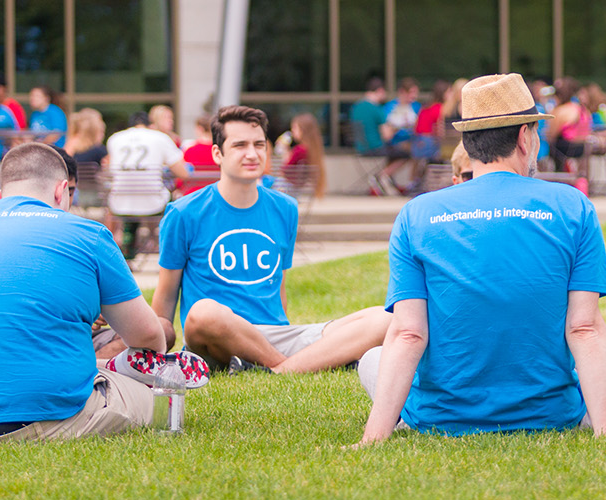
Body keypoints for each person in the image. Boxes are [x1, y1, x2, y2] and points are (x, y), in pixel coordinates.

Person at [355, 74, 606, 445]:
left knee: (372, 359)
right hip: (549, 413)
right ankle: (585, 412)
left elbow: (409, 333)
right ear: (525, 137)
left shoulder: (417, 214)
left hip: (441, 416)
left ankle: (402, 418)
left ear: (468, 143)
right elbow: (583, 328)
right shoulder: (573, 206)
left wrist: (371, 440)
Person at [0, 142, 208, 440]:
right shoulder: (87, 235)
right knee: (164, 401)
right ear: (61, 191)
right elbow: (148, 339)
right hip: (49, 417)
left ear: (1, 196)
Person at [152, 105, 391, 374]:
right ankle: (297, 364)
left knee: (385, 318)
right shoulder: (184, 212)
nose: (252, 154)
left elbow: (279, 288)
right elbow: (165, 299)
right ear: (218, 154)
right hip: (215, 334)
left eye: (259, 145)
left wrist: (284, 334)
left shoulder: (285, 207)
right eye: (240, 145)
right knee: (203, 312)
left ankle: (275, 368)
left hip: (275, 335)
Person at [105, 111, 190, 261]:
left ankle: (129, 251)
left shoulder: (115, 139)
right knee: (171, 199)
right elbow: (183, 173)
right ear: (149, 125)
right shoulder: (160, 137)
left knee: (131, 204)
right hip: (153, 201)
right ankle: (163, 246)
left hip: (120, 202)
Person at [378, 78, 422, 194]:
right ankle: (384, 175)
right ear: (402, 92)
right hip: (394, 142)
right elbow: (386, 129)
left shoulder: (416, 107)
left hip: (413, 141)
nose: (414, 96)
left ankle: (388, 177)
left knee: (419, 148)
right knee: (414, 151)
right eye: (411, 92)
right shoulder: (390, 107)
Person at [548, 77, 592, 175]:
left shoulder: (562, 111)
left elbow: (551, 135)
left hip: (565, 150)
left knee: (551, 146)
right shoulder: (583, 109)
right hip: (582, 148)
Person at [282, 113, 327, 199]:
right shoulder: (313, 150)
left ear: (303, 130)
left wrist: (285, 154)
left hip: (291, 189)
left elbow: (286, 170)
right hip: (301, 190)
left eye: (295, 128)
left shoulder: (300, 150)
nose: (292, 130)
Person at [178, 115, 219, 195]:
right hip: (216, 192)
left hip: (193, 192)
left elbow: (181, 178)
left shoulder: (190, 150)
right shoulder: (219, 150)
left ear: (200, 129)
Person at [350, 78, 390, 156]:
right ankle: (385, 169)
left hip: (360, 148)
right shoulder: (376, 108)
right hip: (375, 148)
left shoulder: (355, 107)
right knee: (406, 153)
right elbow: (387, 136)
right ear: (380, 90)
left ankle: (385, 169)